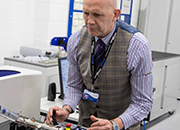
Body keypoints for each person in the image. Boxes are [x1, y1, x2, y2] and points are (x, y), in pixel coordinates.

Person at [46, 0, 153, 129]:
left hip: (122, 125)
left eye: (97, 14)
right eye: (86, 13)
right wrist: (66, 109)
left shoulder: (137, 46)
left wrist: (115, 124)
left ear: (115, 14)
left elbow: (142, 103)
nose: (89, 21)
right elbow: (74, 85)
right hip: (86, 124)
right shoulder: (76, 40)